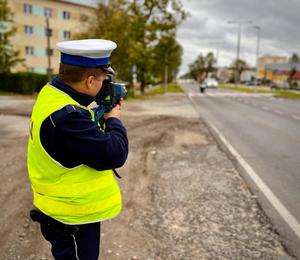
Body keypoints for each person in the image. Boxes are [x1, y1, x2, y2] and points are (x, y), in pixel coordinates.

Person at [27, 39, 128, 260]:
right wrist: (113, 119)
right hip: (71, 219)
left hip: (62, 211)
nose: (106, 84)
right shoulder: (68, 117)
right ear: (90, 80)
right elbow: (115, 153)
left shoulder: (51, 92)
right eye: (103, 79)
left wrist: (98, 106)